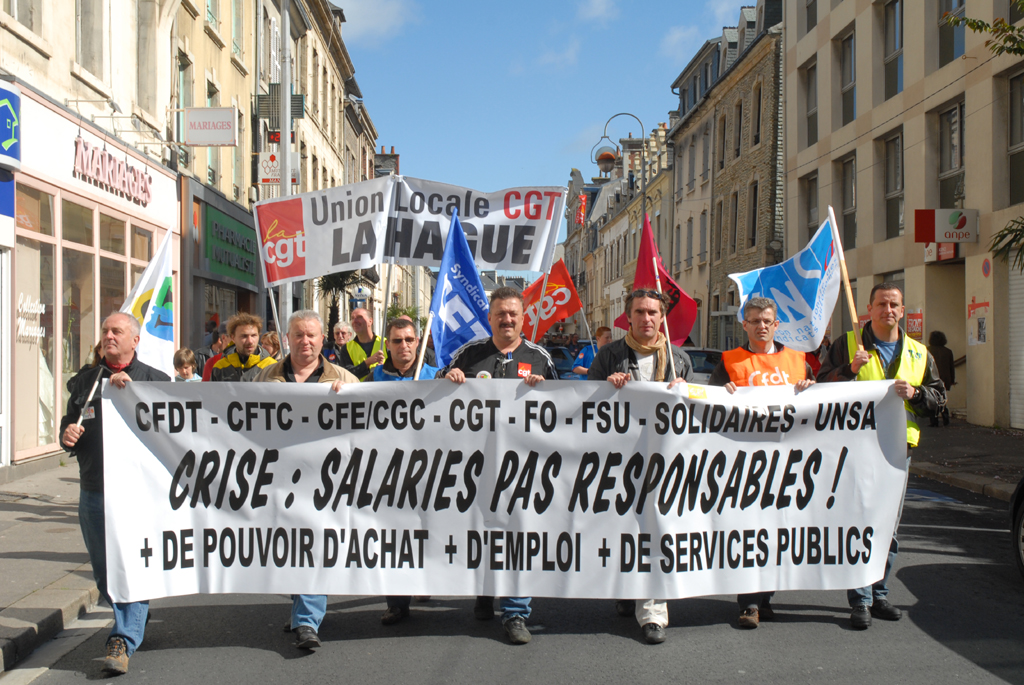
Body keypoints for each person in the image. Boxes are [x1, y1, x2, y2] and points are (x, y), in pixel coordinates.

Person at [818, 282, 945, 630]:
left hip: (897, 450)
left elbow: (939, 399)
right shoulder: (846, 345)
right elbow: (819, 386)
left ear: (902, 311)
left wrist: (917, 393)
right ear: (869, 310)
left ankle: (879, 591)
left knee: (887, 525)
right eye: (881, 304)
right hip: (855, 448)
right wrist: (849, 370)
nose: (888, 310)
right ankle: (860, 599)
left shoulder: (920, 353)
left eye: (894, 305)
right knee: (859, 520)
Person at [437, 287, 558, 645]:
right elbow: (431, 395)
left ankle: (516, 611)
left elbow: (565, 408)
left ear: (523, 318)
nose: (507, 319)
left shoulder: (539, 358)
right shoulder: (469, 354)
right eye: (500, 314)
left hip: (523, 467)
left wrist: (544, 390)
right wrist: (448, 380)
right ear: (489, 318)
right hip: (474, 466)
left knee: (518, 533)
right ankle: (484, 590)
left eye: (513, 314)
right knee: (479, 530)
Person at [60, 312, 170, 675]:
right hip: (94, 487)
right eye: (105, 330)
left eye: (117, 331)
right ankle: (134, 614)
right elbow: (71, 421)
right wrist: (66, 435)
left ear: (134, 340)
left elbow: (173, 434)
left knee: (132, 566)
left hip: (139, 494)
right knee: (104, 572)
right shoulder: (87, 381)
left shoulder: (155, 380)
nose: (108, 336)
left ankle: (121, 638)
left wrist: (134, 395)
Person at [587, 288, 694, 645]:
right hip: (618, 462)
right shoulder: (609, 356)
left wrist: (687, 390)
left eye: (653, 312)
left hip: (663, 463)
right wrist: (606, 388)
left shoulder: (678, 359)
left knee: (656, 529)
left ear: (662, 317)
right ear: (628, 317)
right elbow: (587, 406)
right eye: (640, 312)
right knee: (621, 529)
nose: (647, 319)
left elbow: (695, 413)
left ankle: (653, 613)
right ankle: (626, 589)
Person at [254, 310, 360, 650]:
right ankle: (301, 605)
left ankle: (306, 622)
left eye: (312, 335)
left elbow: (368, 426)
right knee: (287, 549)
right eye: (298, 335)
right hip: (278, 482)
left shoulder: (343, 377)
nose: (305, 341)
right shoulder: (263, 378)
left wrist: (352, 399)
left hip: (324, 485)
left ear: (322, 340)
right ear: (287, 338)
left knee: (314, 546)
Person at [707, 297, 815, 629]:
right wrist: (719, 392)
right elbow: (709, 409)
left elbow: (820, 407)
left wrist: (811, 388)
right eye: (754, 321)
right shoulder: (730, 361)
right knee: (749, 531)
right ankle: (749, 602)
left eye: (767, 320)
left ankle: (765, 597)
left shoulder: (799, 362)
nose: (761, 326)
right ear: (745, 325)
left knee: (778, 530)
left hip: (786, 462)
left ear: (776, 324)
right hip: (745, 463)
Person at [371, 318, 441, 625]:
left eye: (409, 339)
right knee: (394, 537)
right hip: (388, 471)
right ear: (387, 344)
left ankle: (425, 579)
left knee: (429, 531)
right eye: (397, 341)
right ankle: (396, 603)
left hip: (429, 470)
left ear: (417, 342)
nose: (404, 346)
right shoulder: (372, 380)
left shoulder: (435, 376)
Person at [204, 313, 277, 382]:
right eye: (244, 336)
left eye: (253, 335)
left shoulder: (272, 366)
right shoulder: (220, 367)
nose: (250, 341)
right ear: (233, 337)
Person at [335, 308, 386, 381]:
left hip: (383, 390)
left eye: (359, 317)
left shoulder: (385, 343)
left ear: (370, 321)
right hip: (358, 391)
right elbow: (346, 375)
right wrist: (367, 363)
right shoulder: (347, 348)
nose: (355, 321)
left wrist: (384, 369)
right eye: (352, 318)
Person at [927, 330, 955, 427]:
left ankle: (934, 420)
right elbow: (951, 367)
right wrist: (952, 380)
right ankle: (945, 416)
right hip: (945, 379)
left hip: (931, 378)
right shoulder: (948, 351)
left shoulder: (927, 350)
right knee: (942, 397)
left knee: (931, 399)